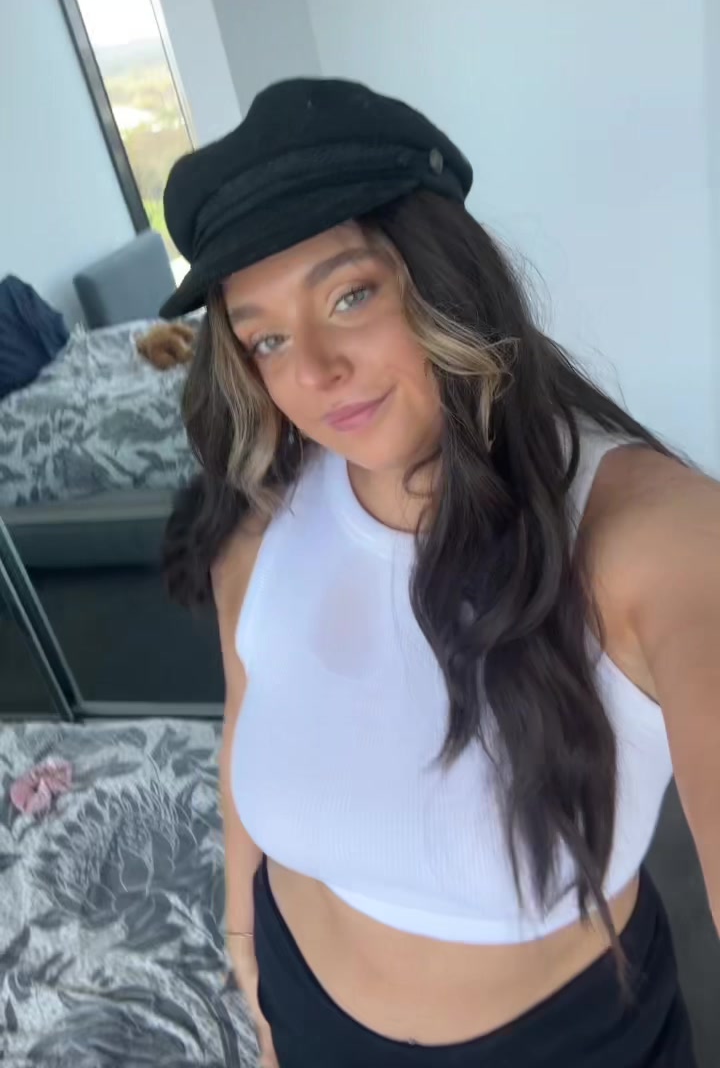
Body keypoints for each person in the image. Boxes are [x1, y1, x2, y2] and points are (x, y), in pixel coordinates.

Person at [161, 78, 719, 1067]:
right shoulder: (261, 524)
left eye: (350, 294)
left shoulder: (652, 536)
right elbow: (250, 726)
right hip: (302, 1008)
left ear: (447, 276)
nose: (315, 371)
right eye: (267, 338)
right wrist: (248, 961)